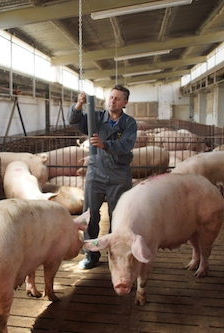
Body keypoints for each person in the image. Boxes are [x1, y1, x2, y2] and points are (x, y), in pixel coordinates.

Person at [68, 85, 137, 269]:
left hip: (119, 173)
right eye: (111, 97)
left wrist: (104, 144)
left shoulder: (129, 123)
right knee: (90, 214)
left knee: (117, 215)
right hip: (96, 171)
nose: (112, 101)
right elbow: (74, 120)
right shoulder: (97, 117)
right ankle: (91, 253)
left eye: (117, 98)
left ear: (125, 102)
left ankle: (115, 252)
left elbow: (125, 145)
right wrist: (79, 104)